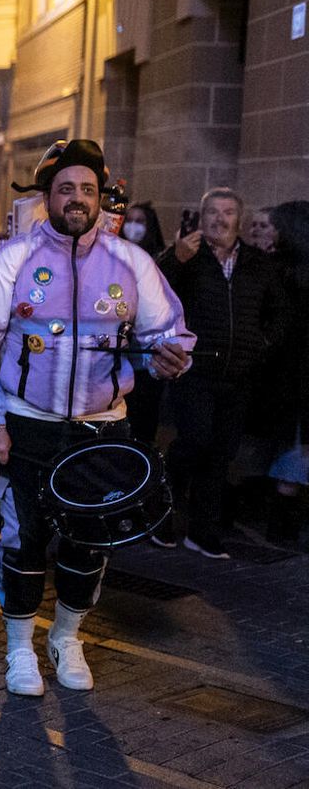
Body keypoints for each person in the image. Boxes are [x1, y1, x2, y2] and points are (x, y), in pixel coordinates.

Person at [0, 139, 192, 696]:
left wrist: (171, 358)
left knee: (90, 542)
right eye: (66, 188)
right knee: (23, 541)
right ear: (48, 196)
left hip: (102, 428)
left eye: (88, 189)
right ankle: (20, 648)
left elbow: (169, 335)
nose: (78, 198)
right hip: (27, 424)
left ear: (99, 197)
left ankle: (66, 638)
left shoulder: (131, 263)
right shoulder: (13, 259)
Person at [155, 187, 285, 557]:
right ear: (201, 217)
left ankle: (202, 531)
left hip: (239, 375)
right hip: (195, 371)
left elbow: (279, 311)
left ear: (238, 219)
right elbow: (154, 293)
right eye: (212, 212)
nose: (220, 219)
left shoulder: (257, 262)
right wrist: (175, 258)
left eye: (228, 212)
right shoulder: (189, 255)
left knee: (220, 454)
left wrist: (261, 344)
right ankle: (161, 512)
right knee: (193, 443)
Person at [264, 202, 309, 544]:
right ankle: (285, 526)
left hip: (292, 374)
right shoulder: (285, 270)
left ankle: (284, 526)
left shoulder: (283, 271)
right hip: (293, 375)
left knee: (294, 452)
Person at [121, 201, 169, 446]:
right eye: (129, 220)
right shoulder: (114, 256)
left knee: (144, 421)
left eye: (139, 221)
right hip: (120, 356)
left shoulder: (160, 260)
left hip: (146, 357)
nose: (133, 226)